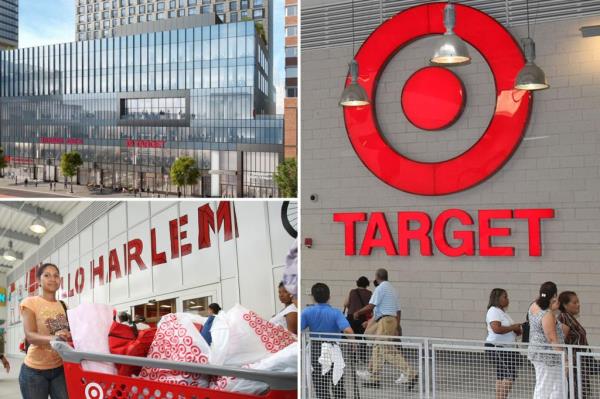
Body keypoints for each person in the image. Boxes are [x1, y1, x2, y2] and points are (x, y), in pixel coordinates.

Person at [354, 268, 417, 389]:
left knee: (386, 350)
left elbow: (371, 305)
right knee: (377, 348)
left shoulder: (380, 288)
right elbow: (398, 311)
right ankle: (373, 377)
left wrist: (358, 312)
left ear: (377, 277)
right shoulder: (393, 289)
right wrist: (397, 327)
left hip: (385, 321)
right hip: (389, 321)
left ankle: (411, 373)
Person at [19, 263, 70, 399]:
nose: (52, 279)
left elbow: (69, 332)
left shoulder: (64, 305)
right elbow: (30, 336)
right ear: (38, 280)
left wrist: (68, 335)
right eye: (47, 275)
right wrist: (55, 338)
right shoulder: (30, 302)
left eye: (56, 276)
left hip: (59, 368)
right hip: (34, 371)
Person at [302, 283, 353, 399]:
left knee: (320, 384)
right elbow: (348, 331)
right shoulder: (336, 313)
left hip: (316, 350)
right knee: (337, 382)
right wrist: (353, 343)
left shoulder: (307, 312)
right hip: (334, 349)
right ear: (329, 297)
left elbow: (297, 329)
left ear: (313, 297)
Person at [528, 281, 565, 399]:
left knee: (557, 386)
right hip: (547, 356)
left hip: (539, 352)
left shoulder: (534, 306)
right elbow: (552, 338)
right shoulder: (547, 314)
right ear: (554, 295)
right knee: (544, 387)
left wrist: (552, 306)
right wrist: (564, 357)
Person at [485, 288, 523, 399]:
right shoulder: (493, 311)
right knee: (509, 375)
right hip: (497, 347)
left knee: (502, 375)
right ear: (497, 298)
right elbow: (496, 328)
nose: (507, 299)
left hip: (507, 348)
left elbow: (509, 329)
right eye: (505, 297)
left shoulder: (503, 313)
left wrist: (517, 329)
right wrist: (513, 327)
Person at [558, 291, 593, 398]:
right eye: (575, 302)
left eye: (578, 302)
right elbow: (561, 341)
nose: (578, 304)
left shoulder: (571, 318)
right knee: (573, 393)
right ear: (565, 305)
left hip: (580, 363)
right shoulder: (564, 318)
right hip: (572, 365)